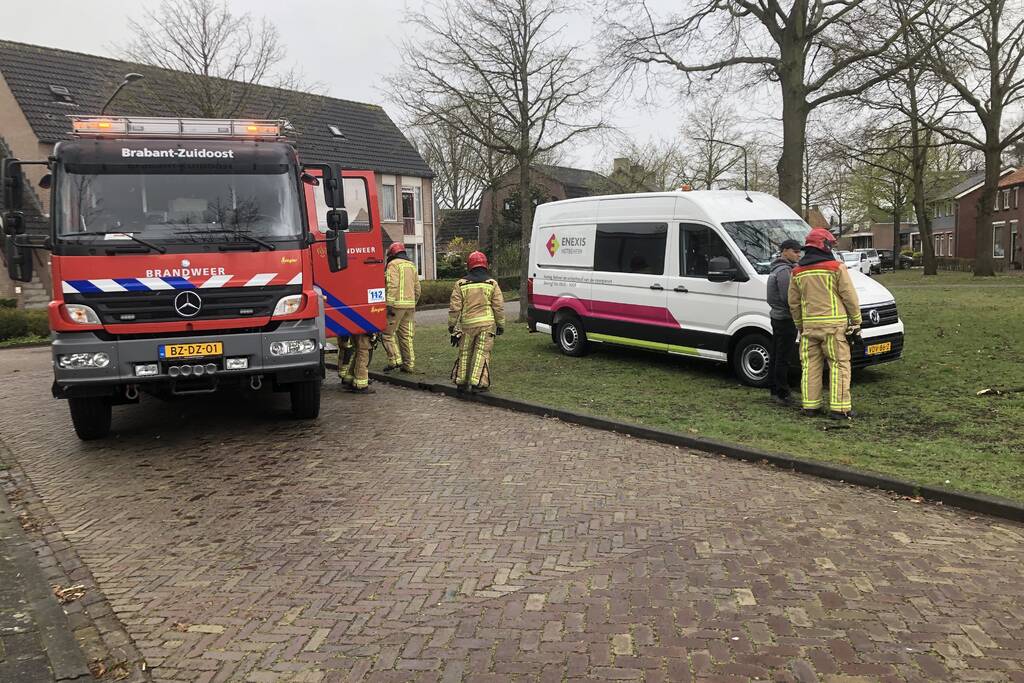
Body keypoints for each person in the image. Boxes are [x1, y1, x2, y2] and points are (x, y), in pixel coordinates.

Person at [788, 228, 862, 419]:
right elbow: (849, 297)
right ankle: (840, 409)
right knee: (839, 365)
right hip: (834, 327)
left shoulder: (797, 272)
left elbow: (794, 303)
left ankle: (810, 406)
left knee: (810, 366)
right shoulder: (836, 268)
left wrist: (800, 325)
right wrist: (856, 321)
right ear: (825, 245)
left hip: (809, 328)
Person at [448, 251, 505, 392]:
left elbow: (455, 308)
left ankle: (461, 381)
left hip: (467, 325)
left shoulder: (460, 284)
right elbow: (498, 307)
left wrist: (452, 325)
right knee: (482, 353)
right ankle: (478, 383)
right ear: (485, 265)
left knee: (464, 353)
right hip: (486, 325)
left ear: (469, 266)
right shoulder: (492, 284)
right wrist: (500, 325)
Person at [766, 239, 802, 405]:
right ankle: (782, 393)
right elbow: (789, 297)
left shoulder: (777, 268)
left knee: (776, 354)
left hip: (777, 317)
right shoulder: (784, 271)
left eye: (799, 252)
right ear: (785, 251)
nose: (798, 255)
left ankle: (775, 389)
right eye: (795, 251)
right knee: (783, 357)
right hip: (785, 318)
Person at [382, 242, 420, 373]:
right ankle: (408, 365)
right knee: (406, 337)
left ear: (392, 253)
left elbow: (392, 285)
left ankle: (395, 360)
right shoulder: (411, 265)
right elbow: (417, 288)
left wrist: (389, 304)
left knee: (387, 334)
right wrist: (414, 302)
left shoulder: (393, 264)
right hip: (410, 306)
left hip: (396, 306)